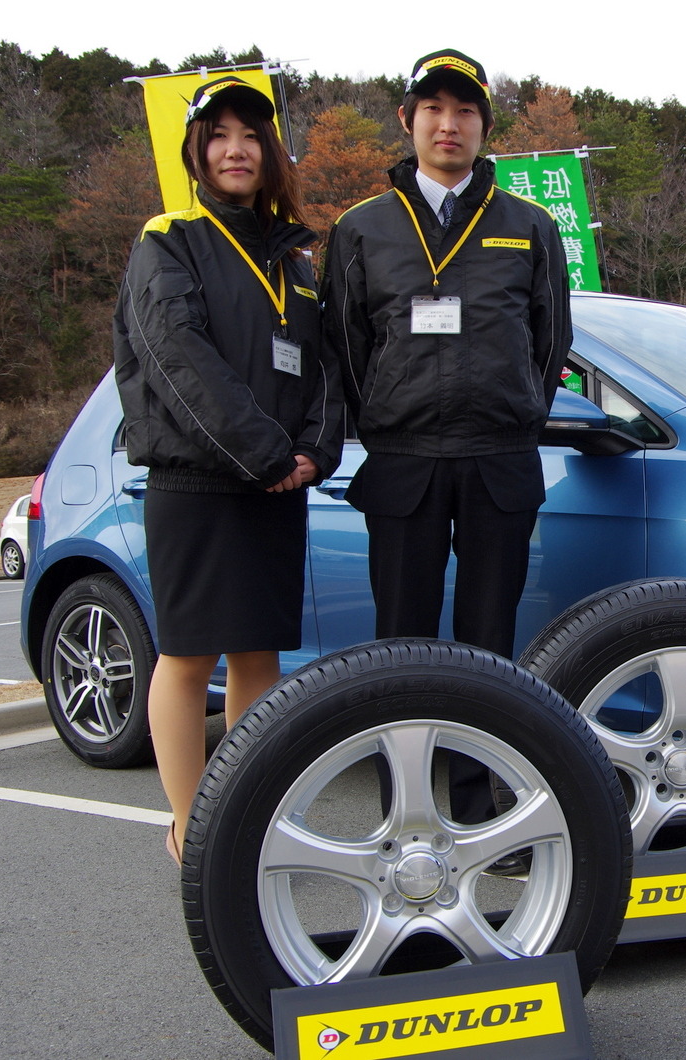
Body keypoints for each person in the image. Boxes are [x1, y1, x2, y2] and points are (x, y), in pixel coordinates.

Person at [113, 76, 343, 864]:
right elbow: (180, 360)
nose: (236, 149)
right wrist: (268, 452)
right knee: (187, 656)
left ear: (271, 152)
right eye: (218, 135)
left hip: (277, 485)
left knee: (260, 658)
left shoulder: (295, 255)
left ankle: (249, 815)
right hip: (200, 484)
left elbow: (322, 370)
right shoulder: (167, 239)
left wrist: (314, 449)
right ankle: (192, 830)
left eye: (251, 135)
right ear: (197, 152)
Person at [323, 49, 571, 661]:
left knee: (490, 639)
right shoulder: (360, 228)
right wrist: (380, 418)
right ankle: (404, 759)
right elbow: (345, 345)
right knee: (401, 638)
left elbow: (551, 339)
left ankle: (479, 762)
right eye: (433, 109)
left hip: (500, 460)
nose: (448, 125)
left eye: (465, 111)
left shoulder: (532, 225)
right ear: (407, 119)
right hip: (404, 461)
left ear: (485, 128)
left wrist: (521, 418)